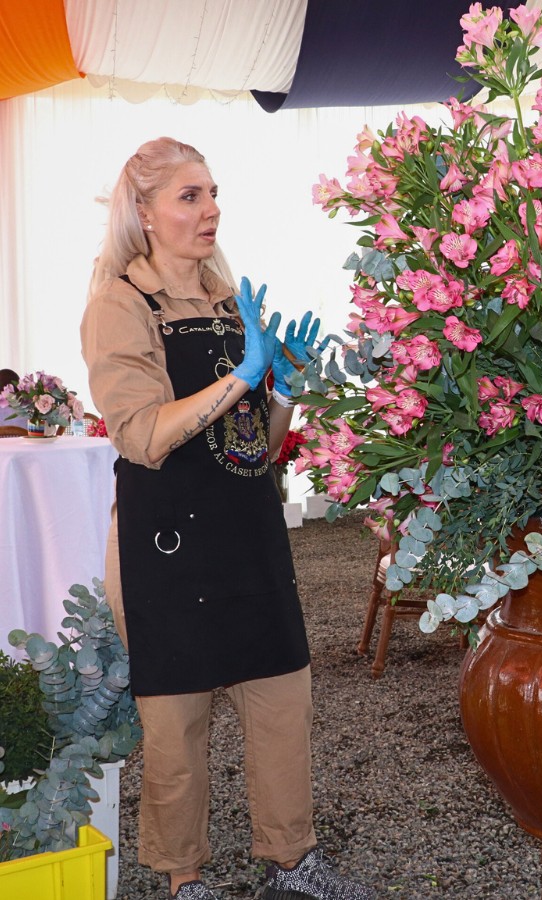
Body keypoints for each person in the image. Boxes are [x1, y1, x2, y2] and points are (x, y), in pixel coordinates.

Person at [80, 138, 373, 900]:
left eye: (213, 193)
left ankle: (292, 860)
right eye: (190, 196)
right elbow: (140, 435)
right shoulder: (120, 303)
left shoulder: (225, 296)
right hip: (166, 540)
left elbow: (256, 450)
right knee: (174, 729)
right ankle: (186, 879)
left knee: (283, 702)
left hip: (247, 533)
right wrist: (241, 375)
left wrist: (282, 392)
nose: (211, 210)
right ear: (143, 212)